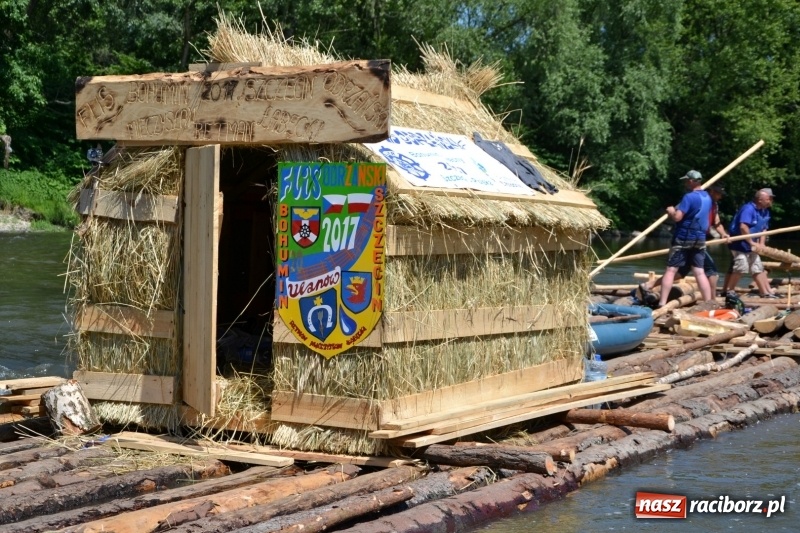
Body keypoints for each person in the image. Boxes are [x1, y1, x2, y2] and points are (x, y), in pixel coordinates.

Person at [637, 184, 729, 305]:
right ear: (711, 191)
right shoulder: (701, 200)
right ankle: (711, 300)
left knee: (682, 271)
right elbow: (679, 216)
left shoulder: (713, 205)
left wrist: (723, 234)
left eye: (721, 194)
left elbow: (716, 223)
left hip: (696, 239)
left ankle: (649, 286)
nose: (720, 196)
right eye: (718, 193)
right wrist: (674, 213)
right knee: (707, 271)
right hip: (692, 238)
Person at [652, 170, 714, 307]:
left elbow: (677, 217)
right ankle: (709, 302)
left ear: (692, 181)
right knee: (699, 271)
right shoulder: (708, 197)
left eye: (687, 180)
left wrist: (670, 211)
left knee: (671, 270)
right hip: (700, 237)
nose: (685, 183)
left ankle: (662, 302)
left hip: (684, 237)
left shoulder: (689, 197)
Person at [721, 188, 777, 298]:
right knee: (741, 266)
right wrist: (751, 242)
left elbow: (764, 229)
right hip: (739, 243)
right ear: (760, 199)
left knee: (757, 267)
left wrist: (761, 244)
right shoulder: (748, 209)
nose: (771, 201)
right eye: (769, 199)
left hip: (752, 245)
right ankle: (730, 291)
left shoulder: (765, 211)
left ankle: (765, 292)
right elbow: (743, 227)